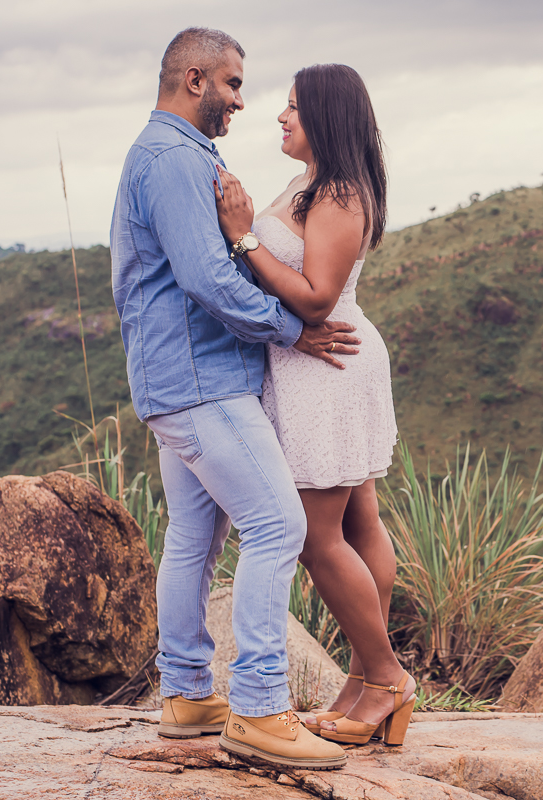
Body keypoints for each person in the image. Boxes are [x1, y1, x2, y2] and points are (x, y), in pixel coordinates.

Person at [110, 27, 356, 771]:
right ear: (194, 80)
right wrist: (291, 329)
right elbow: (206, 280)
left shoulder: (172, 154)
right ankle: (258, 708)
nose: (242, 103)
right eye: (233, 85)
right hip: (201, 383)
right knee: (278, 524)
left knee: (194, 538)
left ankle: (186, 695)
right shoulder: (174, 159)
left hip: (174, 381)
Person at [213, 64, 414, 747]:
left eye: (294, 107)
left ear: (325, 115)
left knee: (314, 536)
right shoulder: (312, 183)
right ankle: (362, 685)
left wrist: (243, 237)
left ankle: (386, 677)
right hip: (319, 365)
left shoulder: (338, 193)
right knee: (358, 521)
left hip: (325, 365)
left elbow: (317, 296)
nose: (280, 116)